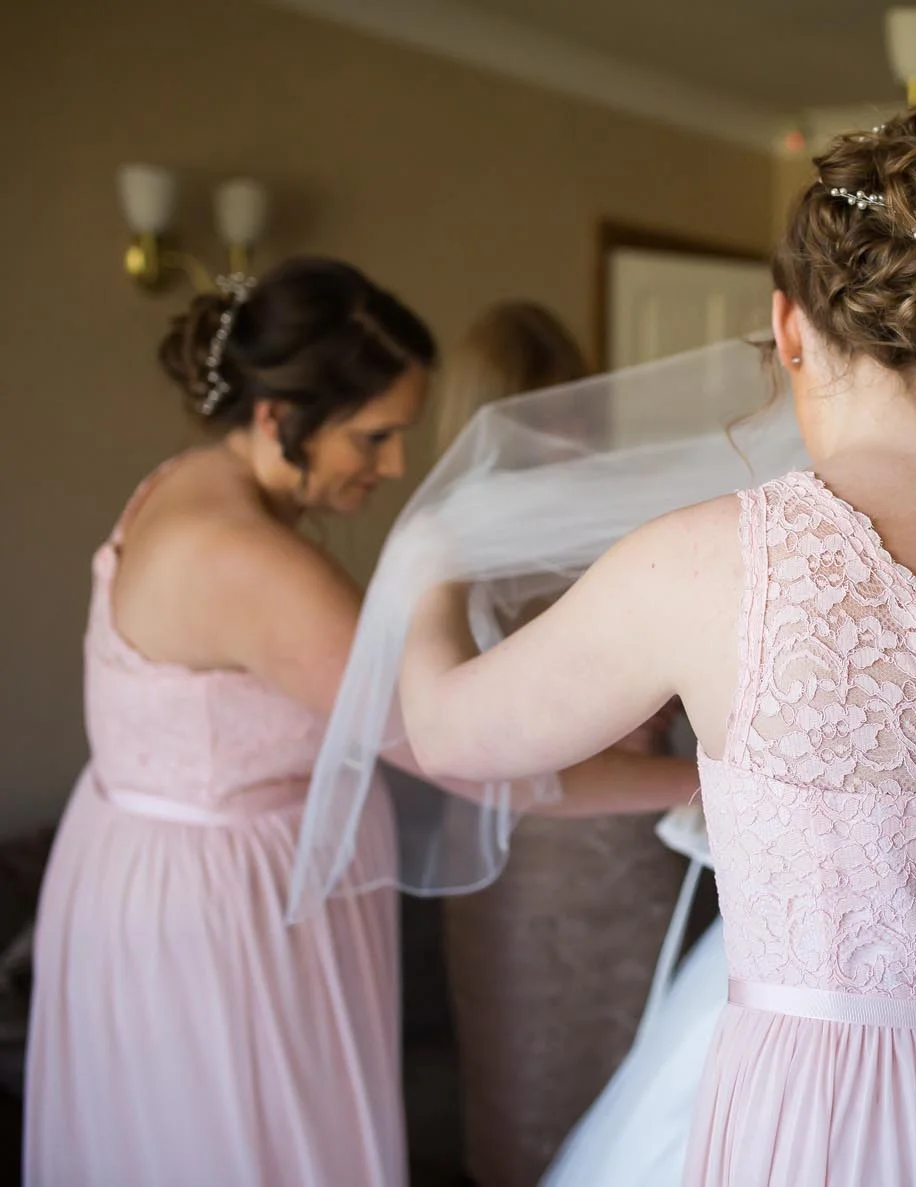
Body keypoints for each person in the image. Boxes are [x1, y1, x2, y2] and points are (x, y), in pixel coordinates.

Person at [399, 108, 916, 1185]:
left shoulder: (709, 559)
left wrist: (425, 566)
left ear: (786, 329)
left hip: (833, 1107)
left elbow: (449, 731)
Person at [25, 258, 694, 1187]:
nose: (392, 467)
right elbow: (468, 748)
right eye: (373, 438)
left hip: (162, 866)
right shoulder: (248, 562)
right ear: (274, 417)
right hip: (226, 915)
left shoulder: (187, 482)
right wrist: (700, 779)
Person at [432, 301, 688, 1187]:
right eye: (548, 423)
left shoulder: (613, 525)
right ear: (491, 422)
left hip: (637, 855)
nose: (573, 442)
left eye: (581, 414)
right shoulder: (451, 551)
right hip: (526, 869)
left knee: (643, 1096)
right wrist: (694, 778)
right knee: (529, 1091)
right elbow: (468, 743)